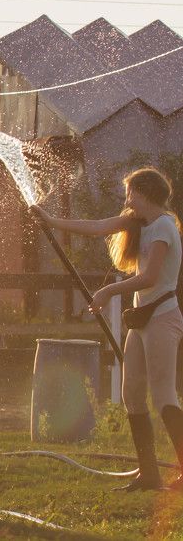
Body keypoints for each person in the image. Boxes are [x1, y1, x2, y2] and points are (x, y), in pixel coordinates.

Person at [33, 167, 183, 491]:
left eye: (131, 192)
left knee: (163, 395)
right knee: (131, 396)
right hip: (142, 320)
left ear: (145, 193)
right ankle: (149, 475)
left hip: (163, 319)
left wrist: (107, 292)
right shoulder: (140, 223)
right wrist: (52, 221)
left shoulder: (164, 227)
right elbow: (96, 227)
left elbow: (151, 278)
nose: (127, 198)